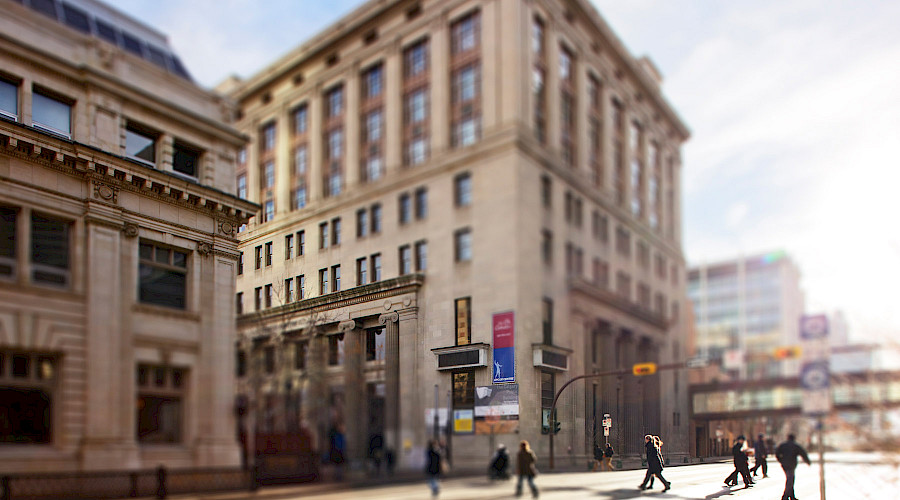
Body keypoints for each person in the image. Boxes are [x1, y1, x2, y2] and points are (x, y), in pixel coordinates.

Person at [775, 434, 811, 500]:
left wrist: (781, 460)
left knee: (790, 479)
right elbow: (803, 453)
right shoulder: (795, 446)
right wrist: (808, 461)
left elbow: (777, 453)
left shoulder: (783, 445)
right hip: (792, 465)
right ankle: (785, 497)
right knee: (790, 480)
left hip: (784, 465)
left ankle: (792, 496)